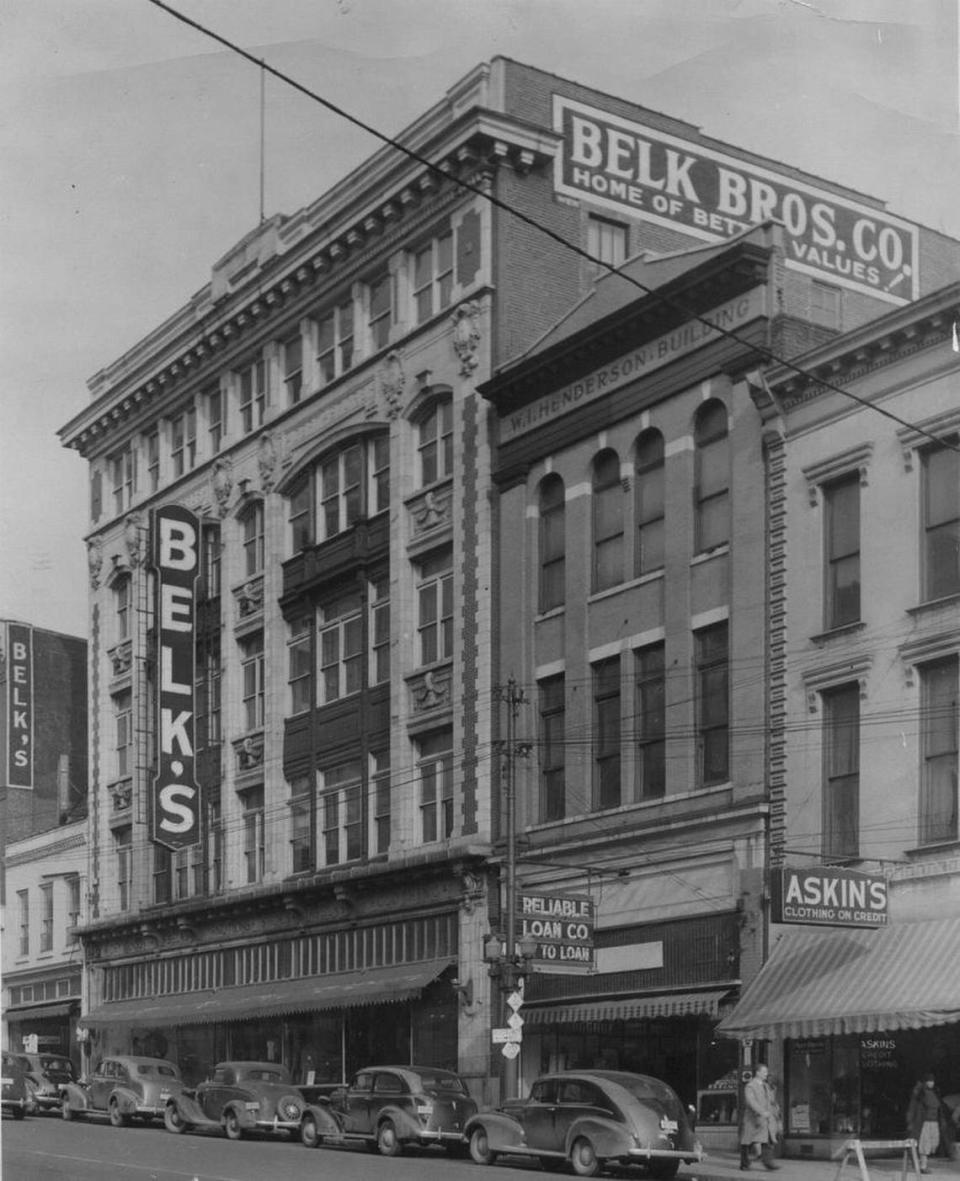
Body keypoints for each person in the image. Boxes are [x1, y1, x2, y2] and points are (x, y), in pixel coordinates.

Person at [740, 1064, 780, 1171]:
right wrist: (762, 1112)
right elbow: (751, 1101)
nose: (766, 1074)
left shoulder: (766, 1086)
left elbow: (770, 1101)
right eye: (764, 1072)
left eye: (766, 1072)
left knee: (766, 1140)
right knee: (747, 1142)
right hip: (752, 1119)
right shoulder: (750, 1086)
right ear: (757, 1073)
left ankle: (768, 1163)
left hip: (764, 1119)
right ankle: (744, 1163)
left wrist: (775, 1109)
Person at [907, 1073, 947, 1173]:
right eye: (929, 1080)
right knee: (924, 1145)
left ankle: (923, 1165)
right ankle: (922, 1167)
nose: (931, 1082)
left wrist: (941, 1121)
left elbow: (939, 1109)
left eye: (932, 1080)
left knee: (933, 1144)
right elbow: (915, 1106)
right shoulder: (920, 1093)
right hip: (924, 1123)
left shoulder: (934, 1093)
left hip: (934, 1123)